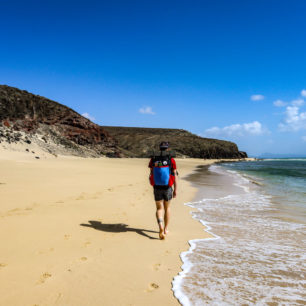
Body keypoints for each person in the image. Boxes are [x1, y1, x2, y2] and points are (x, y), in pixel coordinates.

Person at [148, 141, 178, 240]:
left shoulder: (153, 159)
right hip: (167, 187)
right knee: (167, 208)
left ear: (159, 148)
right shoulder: (171, 160)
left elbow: (151, 173)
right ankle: (165, 229)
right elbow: (175, 175)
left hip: (157, 187)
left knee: (159, 208)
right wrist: (175, 190)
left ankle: (160, 226)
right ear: (168, 149)